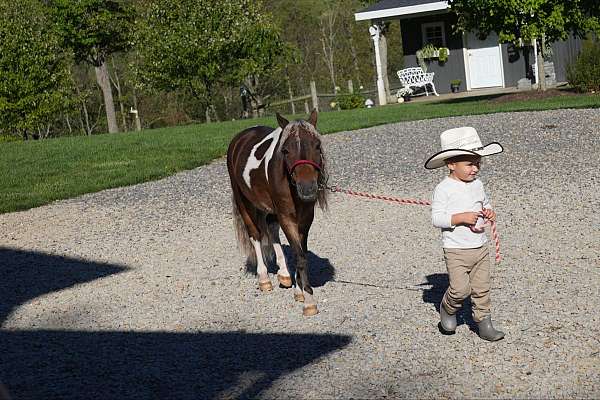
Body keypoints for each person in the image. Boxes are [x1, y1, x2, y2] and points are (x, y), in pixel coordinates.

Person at [424, 126, 505, 341]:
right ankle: (448, 308)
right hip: (456, 250)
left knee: (482, 288)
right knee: (460, 290)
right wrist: (459, 218)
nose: (475, 169)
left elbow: (485, 202)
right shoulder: (444, 189)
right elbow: (436, 218)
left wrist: (489, 212)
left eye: (478, 163)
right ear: (451, 164)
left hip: (480, 247)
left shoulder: (477, 184)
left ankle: (484, 322)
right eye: (469, 164)